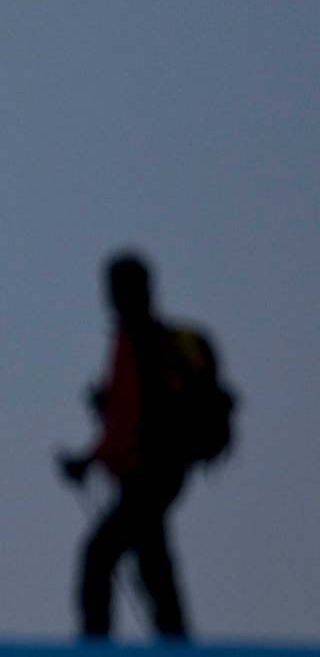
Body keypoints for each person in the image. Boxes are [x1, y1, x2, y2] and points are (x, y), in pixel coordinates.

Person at [59, 252, 199, 640]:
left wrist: (88, 461)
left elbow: (128, 418)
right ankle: (176, 641)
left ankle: (96, 643)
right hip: (162, 473)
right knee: (153, 564)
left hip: (143, 473)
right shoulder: (151, 337)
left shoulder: (132, 339)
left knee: (99, 558)